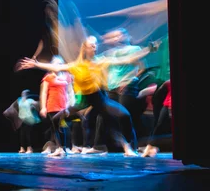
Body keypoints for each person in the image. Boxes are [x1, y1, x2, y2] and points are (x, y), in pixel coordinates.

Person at [17, 35, 159, 156]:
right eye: (92, 45)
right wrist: (36, 65)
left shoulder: (101, 61)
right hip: (84, 101)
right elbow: (57, 67)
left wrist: (148, 49)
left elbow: (127, 60)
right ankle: (60, 148)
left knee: (124, 116)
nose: (95, 47)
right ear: (85, 48)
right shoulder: (77, 65)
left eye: (96, 45)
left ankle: (129, 147)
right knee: (56, 118)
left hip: (100, 99)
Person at [39, 55, 74, 156]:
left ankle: (63, 148)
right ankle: (59, 148)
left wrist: (70, 105)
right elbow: (44, 93)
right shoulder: (48, 77)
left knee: (63, 127)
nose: (57, 66)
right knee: (55, 127)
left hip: (63, 106)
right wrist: (43, 107)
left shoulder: (67, 76)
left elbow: (70, 92)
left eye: (60, 64)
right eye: (55, 63)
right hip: (52, 106)